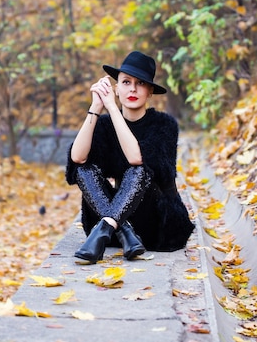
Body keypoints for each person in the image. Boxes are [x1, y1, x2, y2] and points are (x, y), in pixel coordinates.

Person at [65, 51, 195, 264]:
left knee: (140, 170)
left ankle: (106, 226)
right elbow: (77, 159)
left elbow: (137, 159)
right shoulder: (105, 125)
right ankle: (121, 229)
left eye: (140, 83)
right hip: (121, 224)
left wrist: (113, 109)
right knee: (84, 168)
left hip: (158, 225)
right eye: (126, 82)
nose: (133, 89)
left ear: (150, 91)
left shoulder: (164, 124)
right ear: (117, 88)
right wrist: (95, 108)